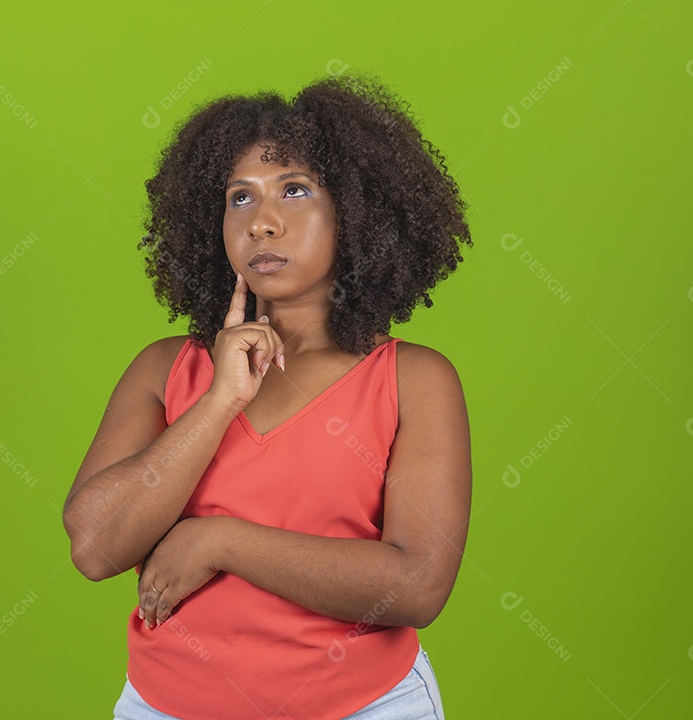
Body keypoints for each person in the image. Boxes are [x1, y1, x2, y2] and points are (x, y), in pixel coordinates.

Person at [62, 69, 473, 720]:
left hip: (365, 706)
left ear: (357, 211)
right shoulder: (165, 369)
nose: (263, 223)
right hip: (166, 706)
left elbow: (417, 584)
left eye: (296, 190)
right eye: (241, 198)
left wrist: (219, 542)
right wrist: (221, 398)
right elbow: (95, 547)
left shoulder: (414, 381)